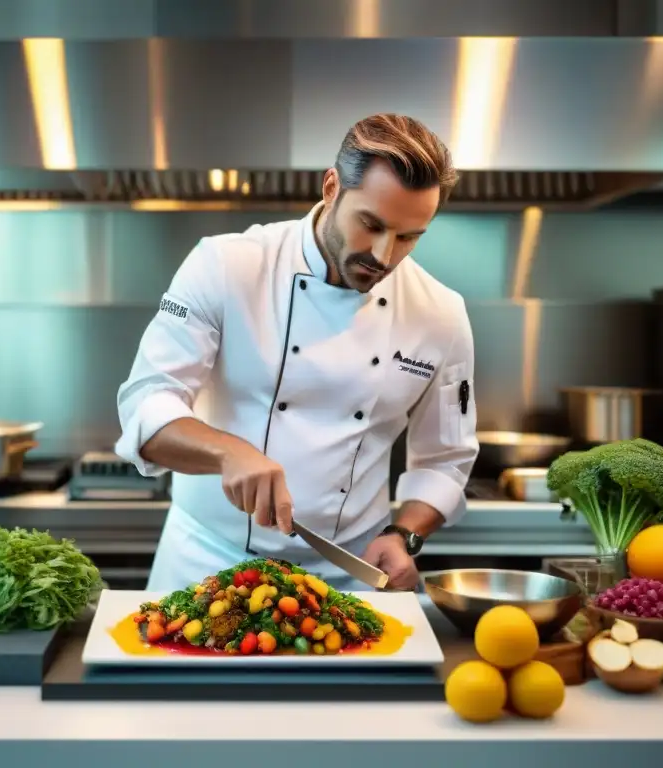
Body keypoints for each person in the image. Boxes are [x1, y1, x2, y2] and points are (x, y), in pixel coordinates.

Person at [115, 113, 479, 592]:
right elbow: (146, 404)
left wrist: (405, 533)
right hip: (205, 561)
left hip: (348, 574)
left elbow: (445, 458)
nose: (385, 256)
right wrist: (228, 452)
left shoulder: (440, 313)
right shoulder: (228, 266)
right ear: (331, 187)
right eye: (370, 224)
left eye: (409, 237)